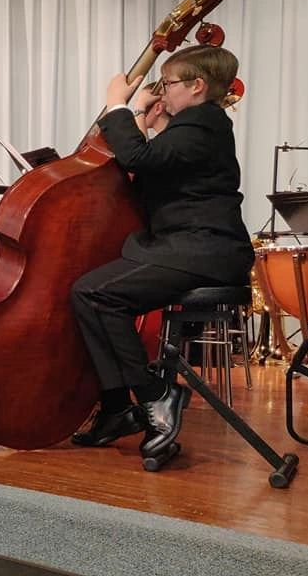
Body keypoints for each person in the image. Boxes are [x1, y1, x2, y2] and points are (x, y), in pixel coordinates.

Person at [70, 45, 253, 460]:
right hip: (187, 246)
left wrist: (118, 104)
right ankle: (118, 409)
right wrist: (143, 120)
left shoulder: (203, 122)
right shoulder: (192, 127)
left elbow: (138, 157)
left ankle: (157, 394)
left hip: (203, 249)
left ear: (197, 85)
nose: (163, 92)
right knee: (87, 291)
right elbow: (152, 170)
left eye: (168, 84)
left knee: (97, 293)